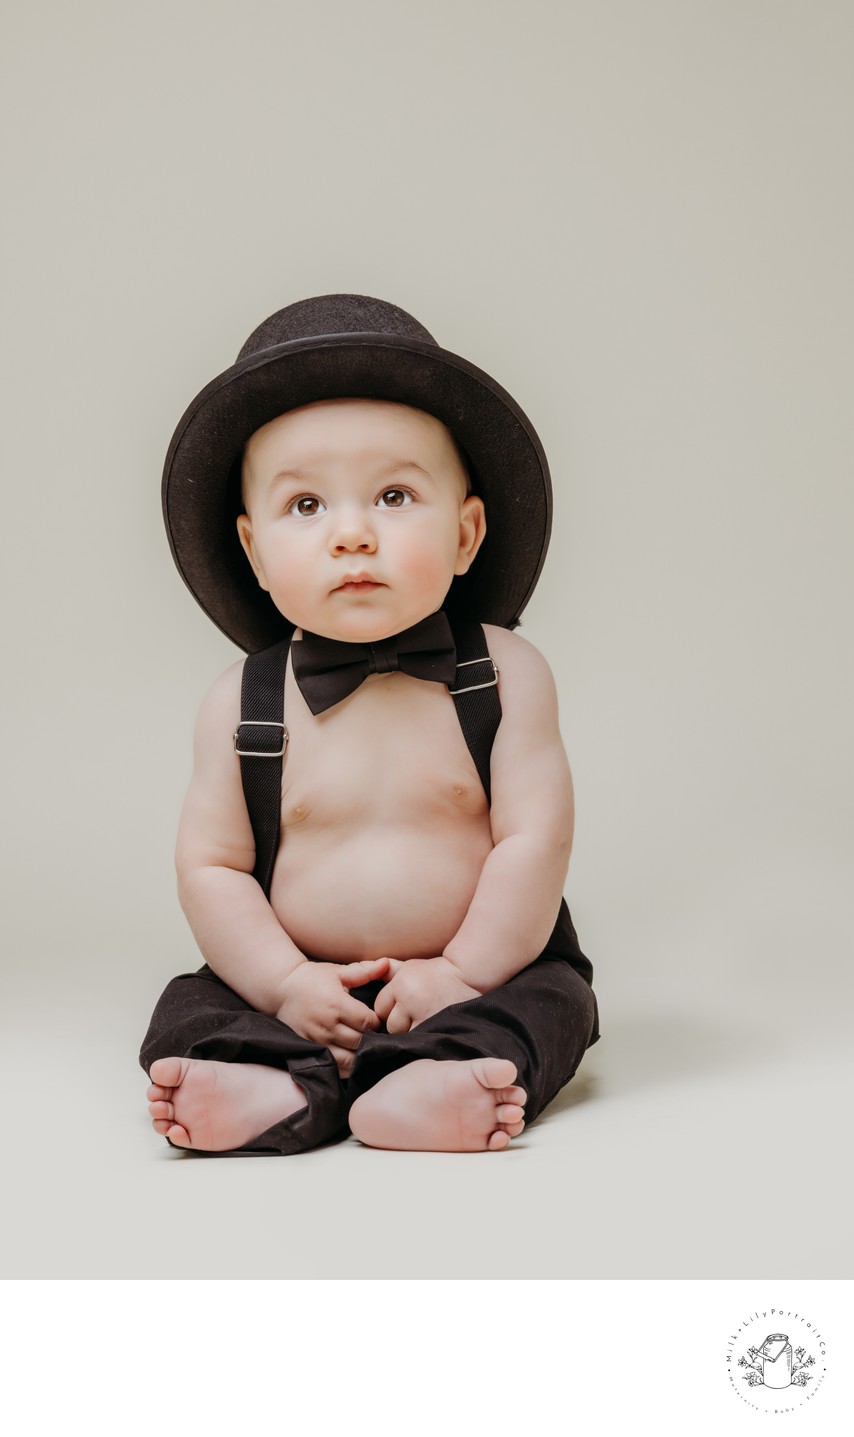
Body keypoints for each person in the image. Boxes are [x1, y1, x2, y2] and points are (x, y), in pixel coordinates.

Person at [140, 293, 599, 1155]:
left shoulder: (503, 673)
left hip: (482, 968)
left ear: (466, 535)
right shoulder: (243, 700)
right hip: (303, 979)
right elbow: (211, 867)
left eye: (393, 495)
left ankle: (441, 1075)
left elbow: (536, 841)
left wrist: (462, 972)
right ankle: (272, 1079)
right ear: (254, 553)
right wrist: (282, 983)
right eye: (306, 507)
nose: (352, 534)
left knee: (554, 998)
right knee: (194, 1003)